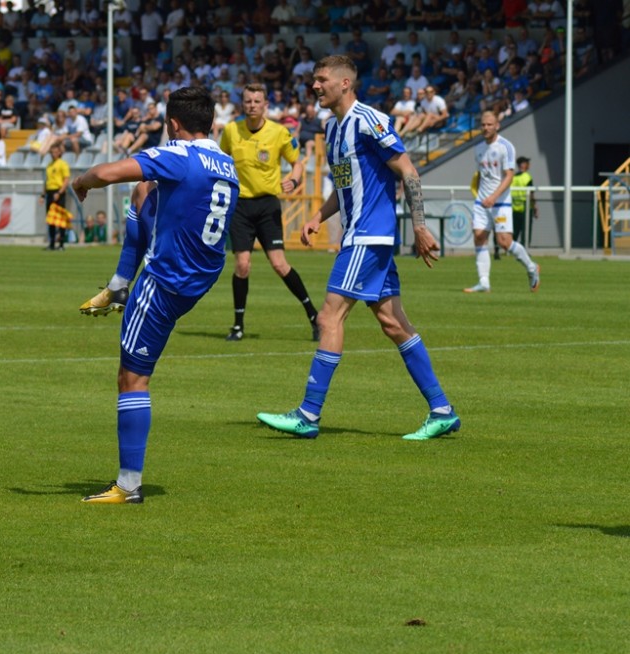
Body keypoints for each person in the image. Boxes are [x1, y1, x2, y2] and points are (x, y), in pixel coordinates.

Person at [256, 55, 460, 442]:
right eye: (314, 79)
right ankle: (442, 410)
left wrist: (419, 225)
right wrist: (318, 216)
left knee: (329, 318)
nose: (314, 86)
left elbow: (408, 170)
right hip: (362, 236)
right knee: (394, 324)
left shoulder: (369, 120)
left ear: (345, 83)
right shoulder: (334, 128)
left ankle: (308, 414)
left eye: (321, 79)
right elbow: (345, 185)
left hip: (367, 236)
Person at [72, 86, 239, 503]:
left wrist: (81, 181)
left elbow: (107, 173)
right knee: (144, 189)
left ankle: (128, 486)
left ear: (173, 124)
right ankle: (118, 286)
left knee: (132, 378)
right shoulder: (227, 162)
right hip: (200, 275)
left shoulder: (179, 155)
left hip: (165, 280)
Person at [220, 82, 319, 342]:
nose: (252, 105)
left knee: (279, 264)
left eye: (257, 101)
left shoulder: (279, 132)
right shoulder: (231, 131)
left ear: (266, 105)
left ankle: (313, 316)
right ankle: (238, 325)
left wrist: (294, 180)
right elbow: (220, 161)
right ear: (242, 104)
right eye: (248, 101)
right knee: (242, 265)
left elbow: (297, 163)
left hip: (267, 206)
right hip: (240, 206)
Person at [464, 111, 540, 294]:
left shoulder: (506, 147)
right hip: (482, 202)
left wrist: (494, 197)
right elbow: (482, 175)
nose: (486, 128)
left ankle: (532, 268)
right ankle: (484, 282)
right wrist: (480, 196)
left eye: (490, 124)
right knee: (479, 236)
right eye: (483, 124)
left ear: (497, 125)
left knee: (504, 242)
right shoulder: (478, 148)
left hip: (500, 203)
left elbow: (509, 176)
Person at [79, 182, 156, 316]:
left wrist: (81, 181)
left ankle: (119, 284)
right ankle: (119, 283)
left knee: (143, 189)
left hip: (171, 273)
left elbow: (105, 175)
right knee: (142, 190)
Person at [42, 143, 70, 251]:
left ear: (59, 153)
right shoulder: (49, 165)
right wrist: (43, 195)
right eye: (51, 152)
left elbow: (66, 180)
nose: (53, 154)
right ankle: (52, 243)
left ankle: (61, 244)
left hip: (58, 192)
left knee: (60, 219)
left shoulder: (63, 164)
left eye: (55, 152)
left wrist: (59, 192)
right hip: (50, 192)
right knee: (51, 219)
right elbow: (47, 181)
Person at [510, 155, 537, 246]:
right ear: (523, 165)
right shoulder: (527, 177)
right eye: (527, 163)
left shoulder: (513, 177)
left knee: (514, 230)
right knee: (526, 230)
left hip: (514, 207)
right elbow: (531, 194)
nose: (529, 165)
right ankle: (525, 248)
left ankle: (512, 248)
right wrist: (535, 207)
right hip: (526, 206)